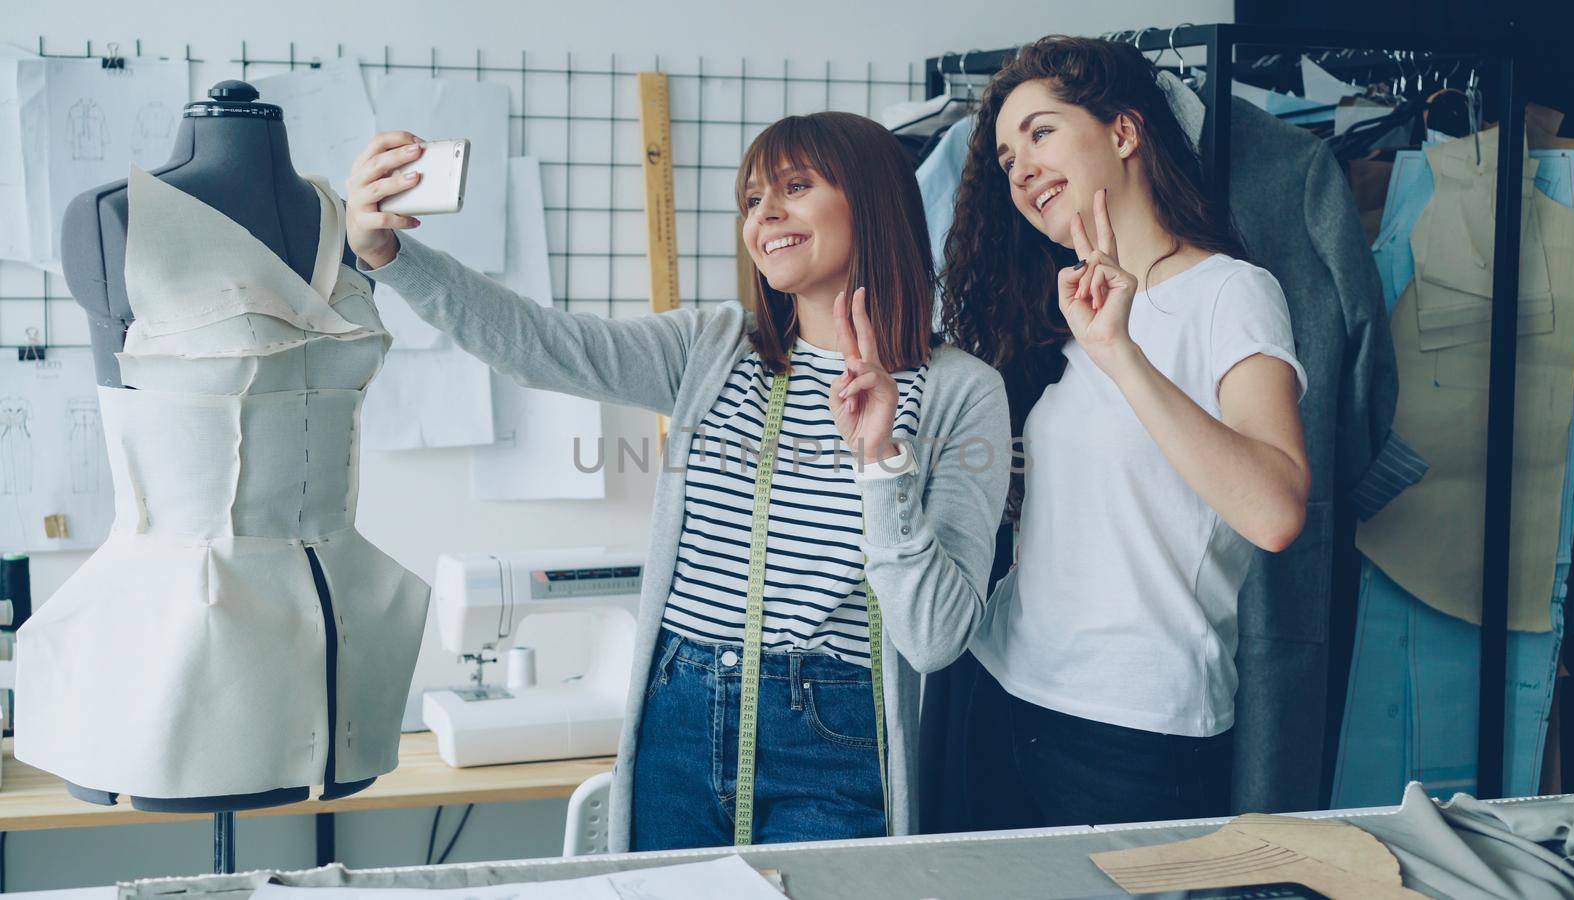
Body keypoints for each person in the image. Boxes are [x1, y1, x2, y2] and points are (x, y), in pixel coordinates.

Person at [346, 111, 1010, 849]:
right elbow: (539, 345)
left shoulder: (960, 392)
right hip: (679, 714)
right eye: (752, 200)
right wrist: (391, 257)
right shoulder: (714, 348)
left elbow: (935, 637)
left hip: (834, 732)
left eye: (795, 187)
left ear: (876, 201)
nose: (766, 216)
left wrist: (881, 460)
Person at [941, 35, 1311, 826]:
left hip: (1137, 733)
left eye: (1040, 132)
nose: (1021, 168)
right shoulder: (1061, 307)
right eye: (1006, 160)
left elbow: (1276, 512)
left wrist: (1122, 353)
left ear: (1123, 133)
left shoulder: (1230, 293)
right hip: (1004, 692)